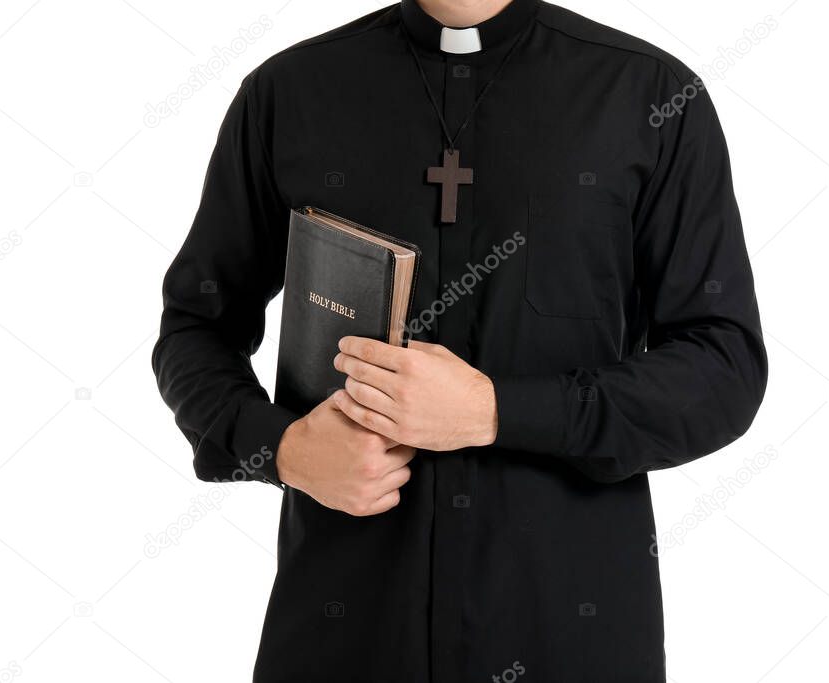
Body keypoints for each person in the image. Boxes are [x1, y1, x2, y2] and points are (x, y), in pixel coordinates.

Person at [151, 1, 768, 680]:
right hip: (342, 635)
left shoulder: (649, 97)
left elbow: (724, 366)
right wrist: (284, 449)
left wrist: (495, 410)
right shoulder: (288, 92)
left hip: (567, 634)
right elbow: (195, 328)